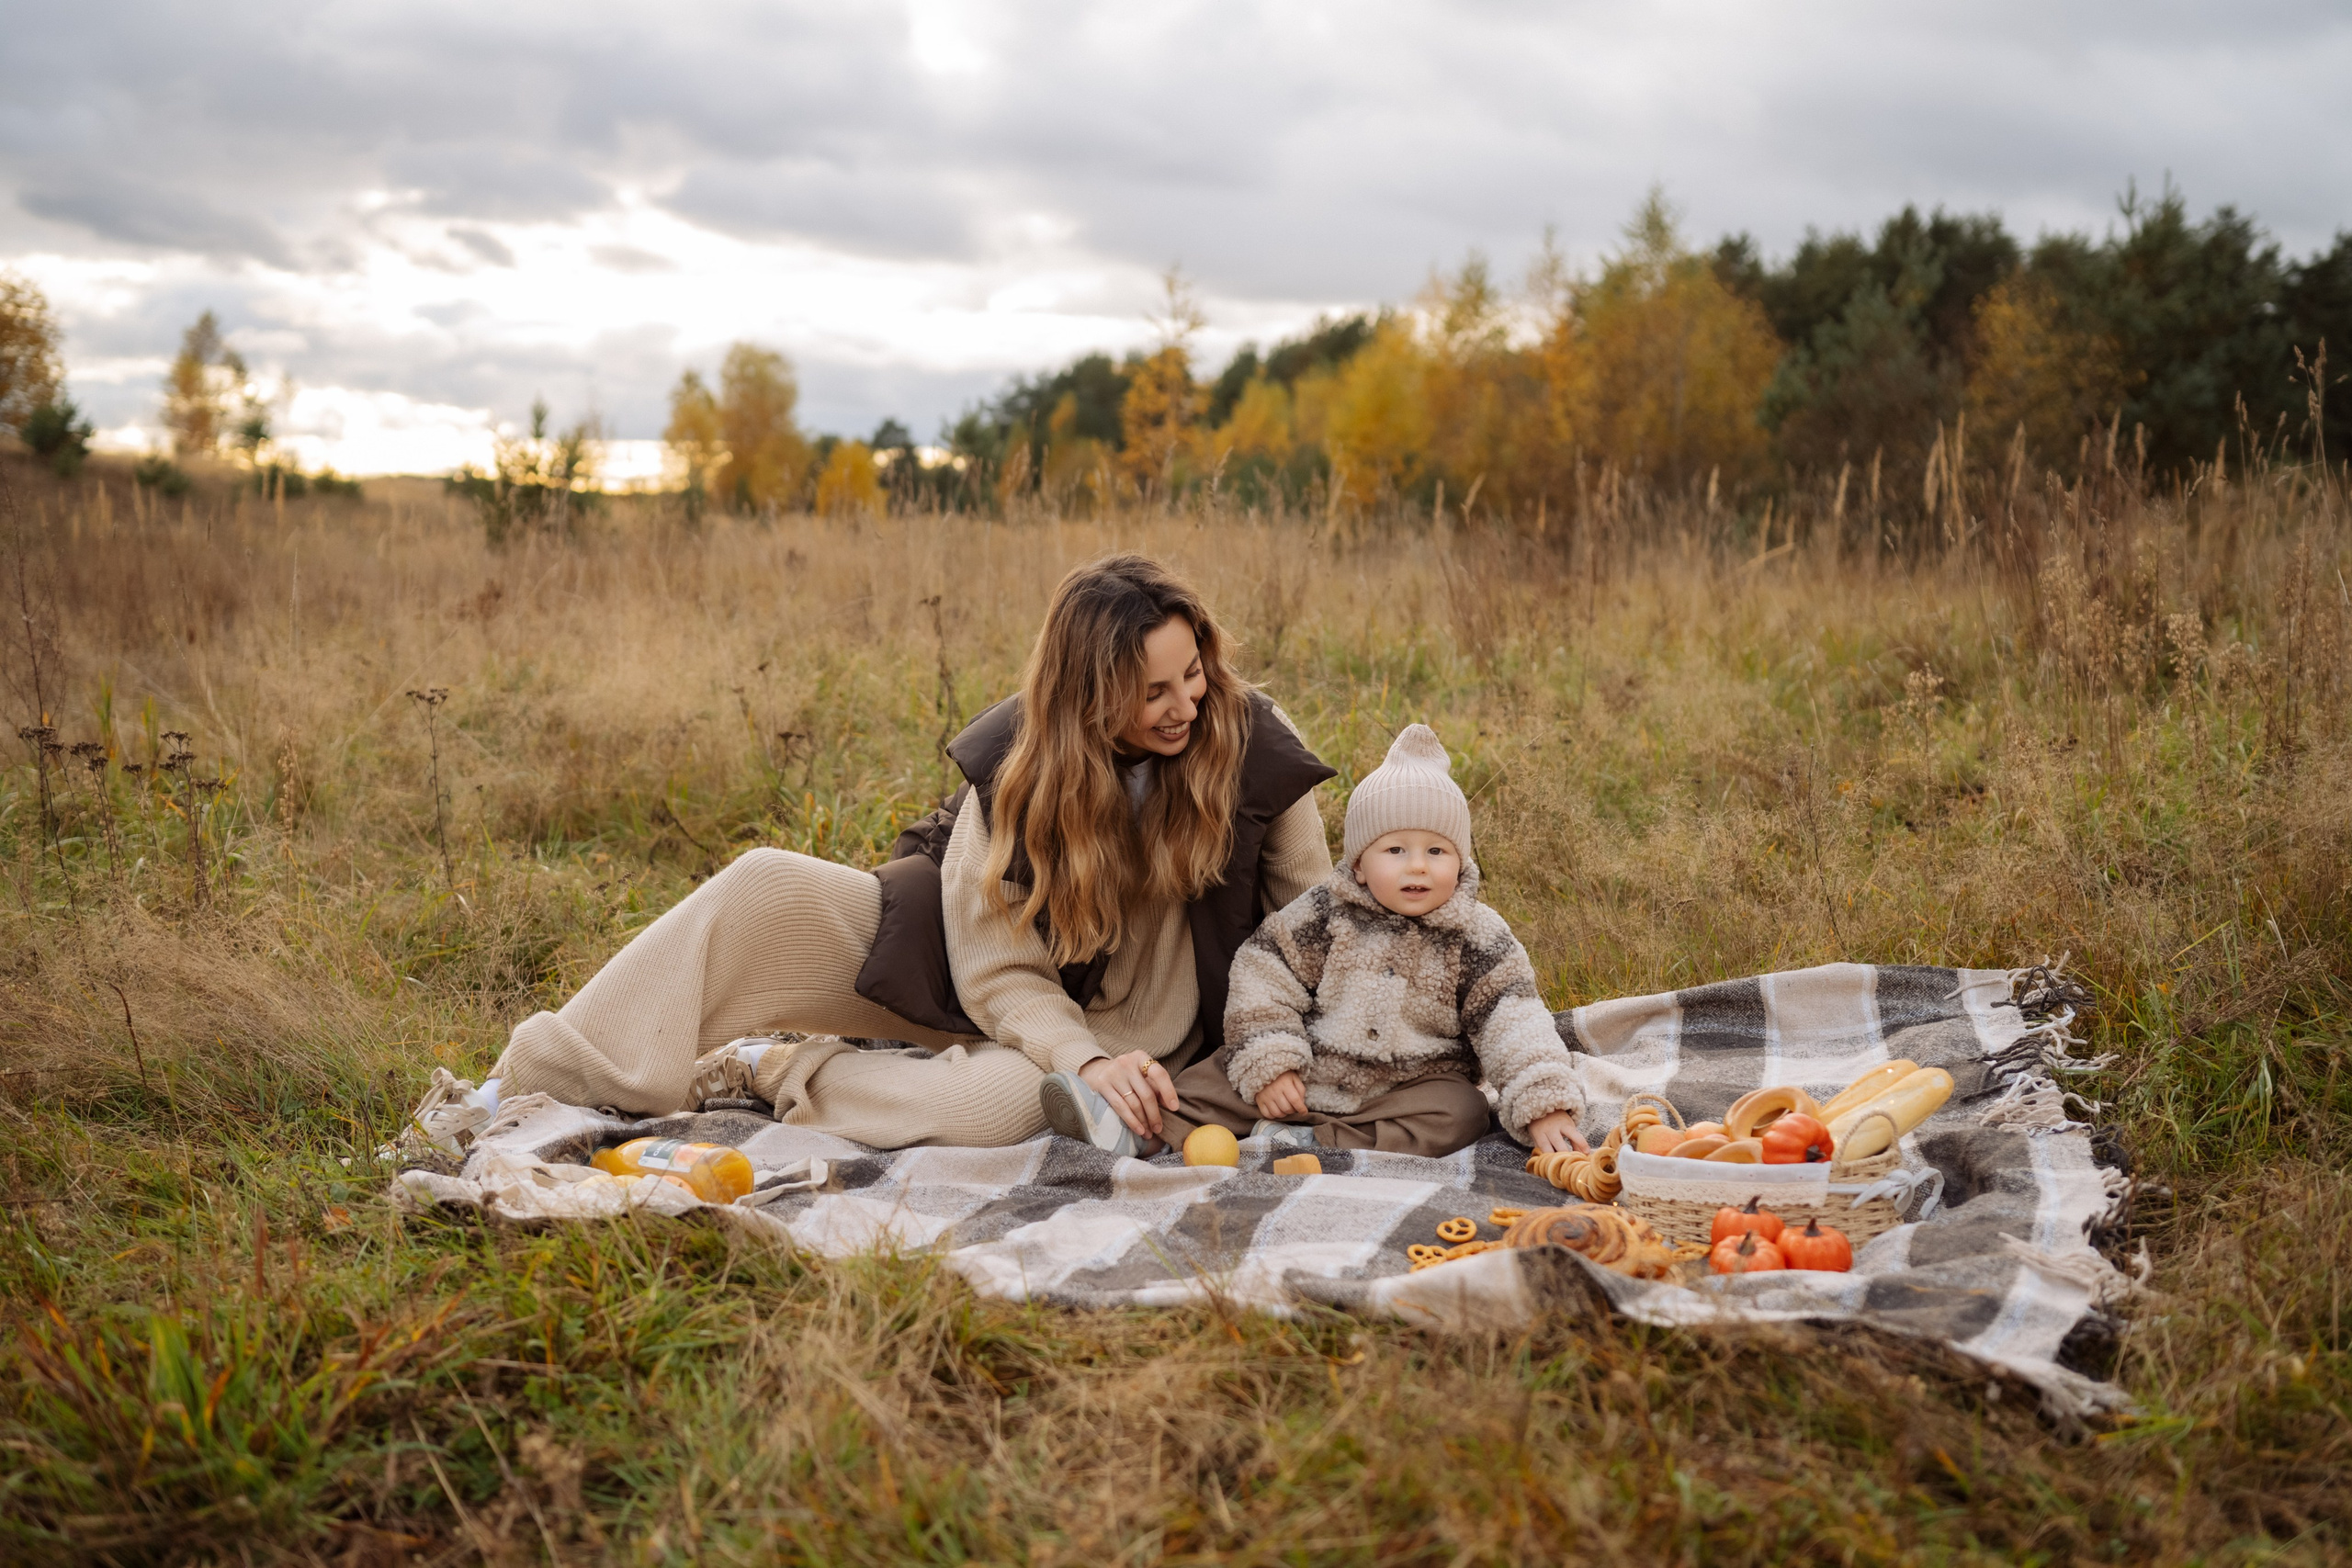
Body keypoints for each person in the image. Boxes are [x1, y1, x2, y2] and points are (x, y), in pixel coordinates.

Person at [391, 554, 1334, 1157]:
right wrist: (1072, 1052)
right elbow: (994, 965)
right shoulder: (1025, 763)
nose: (1184, 706)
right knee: (765, 883)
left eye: (1192, 675)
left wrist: (1098, 1064)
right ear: (1087, 698)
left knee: (1001, 1112)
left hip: (1127, 1037)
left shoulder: (1249, 742)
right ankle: (518, 1085)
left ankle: (770, 1072)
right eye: (1151, 692)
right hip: (982, 983)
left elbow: (1311, 922)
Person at [1136, 723, 1589, 1159]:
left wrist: (1543, 1105)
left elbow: (1514, 1022)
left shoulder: (1477, 936)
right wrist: (1272, 1060)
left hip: (1404, 1090)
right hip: (1306, 1071)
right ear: (1358, 865)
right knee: (1207, 1080)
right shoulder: (1324, 914)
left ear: (1461, 860)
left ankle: (1318, 1144)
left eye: (1436, 851)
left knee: (1463, 1112)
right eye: (1395, 850)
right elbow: (1263, 973)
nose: (1418, 867)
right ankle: (1141, 1132)